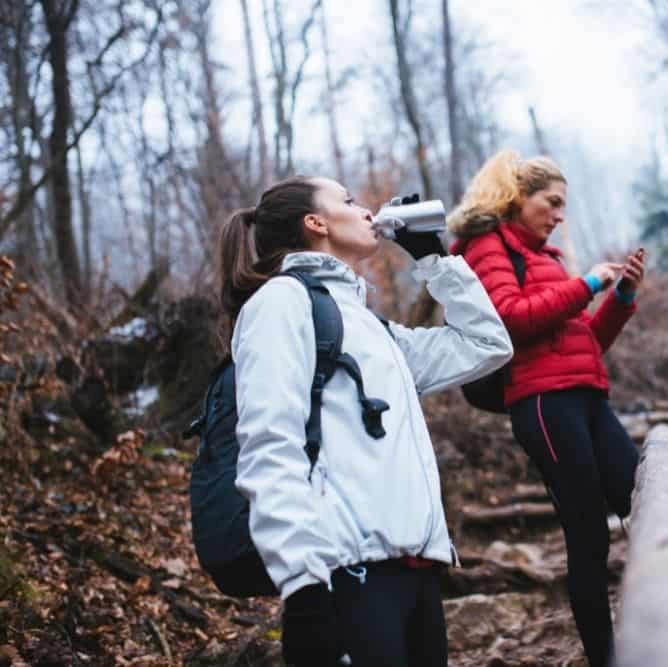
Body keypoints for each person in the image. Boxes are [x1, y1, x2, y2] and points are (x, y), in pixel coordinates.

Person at [219, 175, 513, 666]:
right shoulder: (280, 303)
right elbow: (269, 445)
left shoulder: (367, 326)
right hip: (345, 579)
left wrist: (434, 261)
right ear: (316, 223)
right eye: (349, 201)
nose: (364, 210)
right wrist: (303, 586)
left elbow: (486, 346)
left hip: (414, 571)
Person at [448, 150, 645, 667]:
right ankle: (605, 657)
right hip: (542, 405)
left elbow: (583, 346)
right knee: (588, 534)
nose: (560, 215)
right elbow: (509, 320)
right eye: (551, 202)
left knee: (642, 504)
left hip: (586, 398)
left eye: (563, 206)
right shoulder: (486, 247)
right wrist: (588, 285)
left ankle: (662, 628)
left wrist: (620, 298)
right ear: (517, 197)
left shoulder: (549, 260)